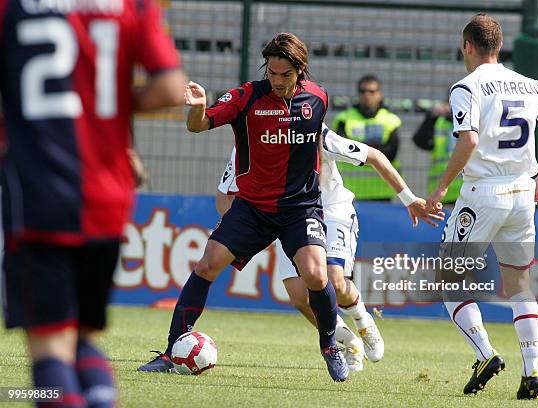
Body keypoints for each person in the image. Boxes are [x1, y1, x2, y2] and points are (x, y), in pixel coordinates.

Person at [0, 1, 185, 407]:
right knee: (83, 337)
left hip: (37, 198)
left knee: (50, 350)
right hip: (107, 198)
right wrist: (108, 105)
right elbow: (171, 89)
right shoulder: (130, 5)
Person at [138, 33, 351, 381]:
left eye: (285, 74)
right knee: (207, 265)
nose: (277, 80)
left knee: (316, 275)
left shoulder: (319, 99)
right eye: (272, 72)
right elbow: (199, 126)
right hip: (252, 206)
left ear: (300, 70)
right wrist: (196, 108)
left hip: (300, 208)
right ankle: (171, 349)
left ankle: (329, 344)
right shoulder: (246, 96)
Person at [426, 14, 538, 399]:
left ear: (467, 47)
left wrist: (441, 188)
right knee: (519, 285)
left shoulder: (466, 87)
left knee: (447, 278)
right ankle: (532, 371)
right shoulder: (531, 84)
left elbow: (469, 141)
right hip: (523, 194)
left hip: (483, 194)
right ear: (500, 44)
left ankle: (486, 353)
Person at [215, 124, 444, 372]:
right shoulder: (248, 144)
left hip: (332, 212)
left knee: (332, 280)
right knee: (299, 297)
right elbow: (224, 195)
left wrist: (410, 200)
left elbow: (375, 157)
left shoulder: (316, 134)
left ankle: (362, 320)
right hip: (287, 218)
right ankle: (349, 341)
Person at [332, 74, 402, 201]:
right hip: (350, 192)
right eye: (363, 91)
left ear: (379, 94)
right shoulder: (344, 119)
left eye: (372, 91)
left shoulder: (390, 120)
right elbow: (342, 152)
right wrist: (375, 147)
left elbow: (391, 153)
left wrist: (358, 145)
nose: (367, 95)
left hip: (382, 192)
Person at [412, 99, 463, 205]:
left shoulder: (472, 122)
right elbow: (420, 141)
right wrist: (431, 117)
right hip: (441, 192)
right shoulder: (438, 122)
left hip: (466, 190)